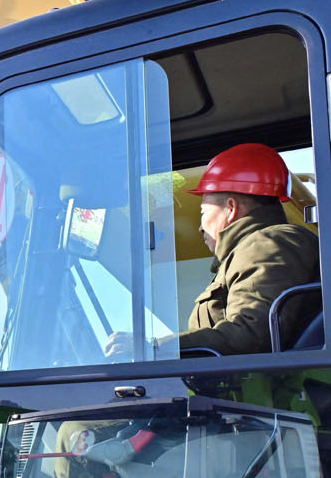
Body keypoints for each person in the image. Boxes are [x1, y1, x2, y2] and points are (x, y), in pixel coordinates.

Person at [105, 143, 319, 358]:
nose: (200, 227)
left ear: (231, 208)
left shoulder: (268, 242)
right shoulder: (256, 249)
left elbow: (251, 335)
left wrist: (155, 347)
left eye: (203, 211)